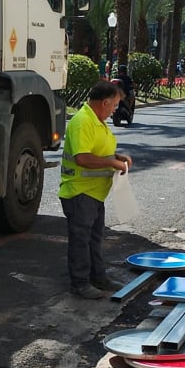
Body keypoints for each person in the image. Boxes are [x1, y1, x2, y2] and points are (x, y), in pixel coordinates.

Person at [58, 81, 132, 299]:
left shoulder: (97, 120)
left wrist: (118, 158)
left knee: (94, 238)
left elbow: (98, 150)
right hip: (80, 192)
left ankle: (98, 278)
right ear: (104, 102)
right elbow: (83, 158)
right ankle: (80, 283)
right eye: (114, 105)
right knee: (81, 239)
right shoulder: (83, 122)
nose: (115, 110)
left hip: (94, 193)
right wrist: (113, 164)